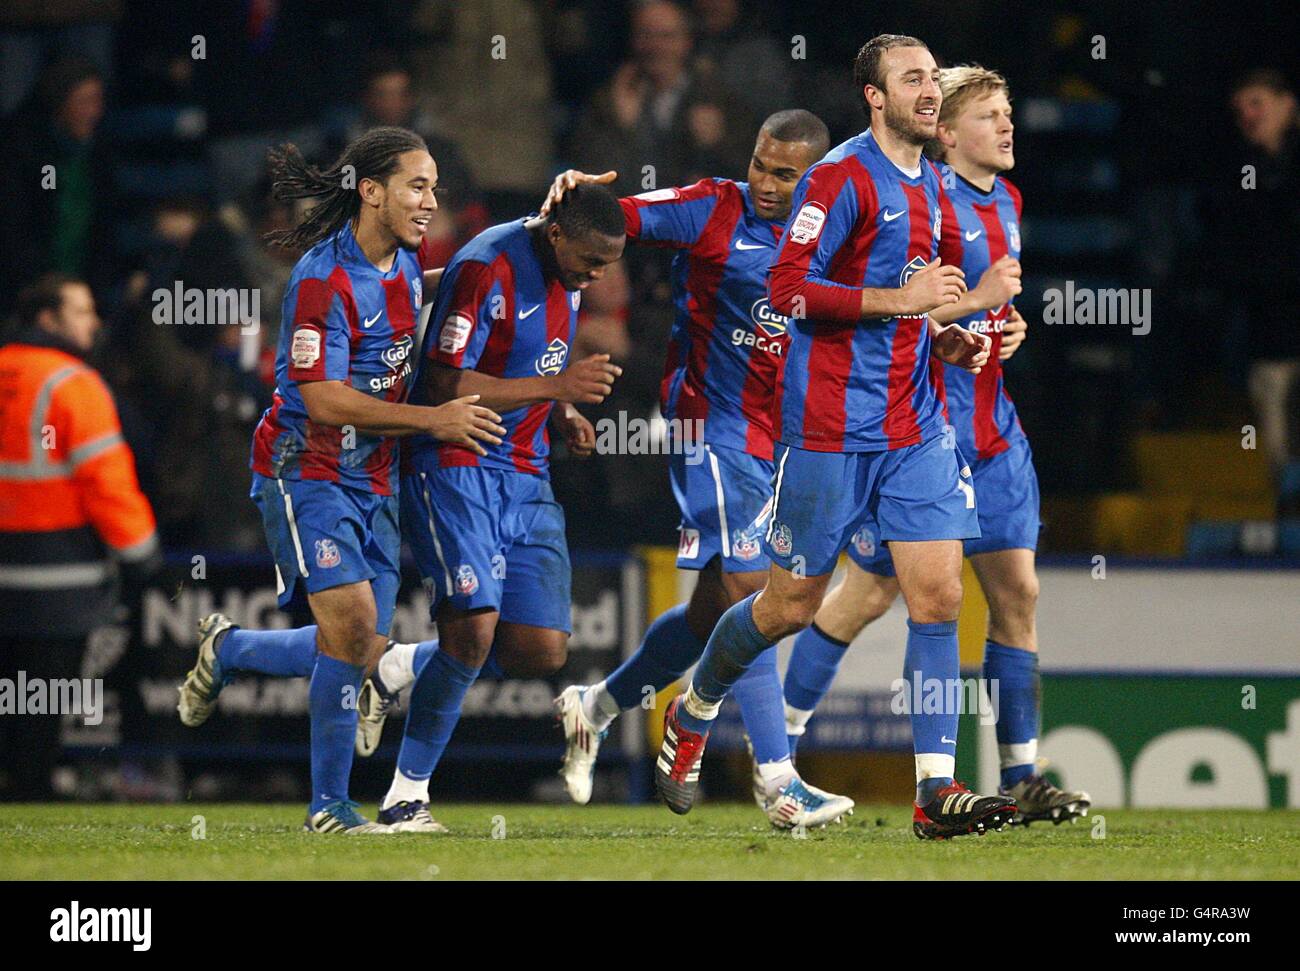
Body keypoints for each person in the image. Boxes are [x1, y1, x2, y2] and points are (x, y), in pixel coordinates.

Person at [654, 34, 1017, 841]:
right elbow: (787, 291)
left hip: (914, 425)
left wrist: (946, 334)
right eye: (911, 79)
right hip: (826, 428)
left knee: (940, 596)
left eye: (934, 77)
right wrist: (901, 299)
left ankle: (936, 789)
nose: (930, 91)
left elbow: (918, 305)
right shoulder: (840, 176)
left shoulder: (934, 188)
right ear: (875, 97)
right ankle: (695, 709)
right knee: (786, 604)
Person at [782, 65, 1091, 827]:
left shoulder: (1008, 200)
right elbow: (903, 305)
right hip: (919, 426)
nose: (1009, 126)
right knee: (865, 596)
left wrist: (1003, 325)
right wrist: (971, 309)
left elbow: (978, 311)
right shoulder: (922, 201)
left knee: (1015, 591)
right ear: (947, 134)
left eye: (1010, 111)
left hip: (995, 428)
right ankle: (779, 744)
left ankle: (1020, 773)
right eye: (991, 115)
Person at [174, 127, 504, 835]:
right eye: (418, 185)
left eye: (435, 186)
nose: (431, 201)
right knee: (353, 630)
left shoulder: (406, 263)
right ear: (372, 191)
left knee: (352, 644)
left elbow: (432, 289)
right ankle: (328, 806)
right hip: (307, 467)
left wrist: (517, 246)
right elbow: (321, 398)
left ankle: (228, 648)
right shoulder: (324, 278)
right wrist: (431, 419)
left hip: (373, 472)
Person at [546, 109, 855, 829]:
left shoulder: (842, 240)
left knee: (715, 612)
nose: (766, 183)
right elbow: (611, 218)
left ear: (818, 178)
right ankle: (777, 780)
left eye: (785, 173)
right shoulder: (716, 209)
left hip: (790, 442)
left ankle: (593, 707)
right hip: (709, 427)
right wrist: (575, 193)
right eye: (760, 164)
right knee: (756, 585)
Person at [352, 185, 626, 833]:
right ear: (556, 232)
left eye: (606, 264)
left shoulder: (570, 270)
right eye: (590, 259)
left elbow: (527, 358)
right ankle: (404, 798)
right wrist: (557, 387)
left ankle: (397, 664)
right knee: (472, 632)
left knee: (541, 650)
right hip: (456, 460)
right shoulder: (487, 267)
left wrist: (558, 411)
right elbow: (447, 381)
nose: (596, 274)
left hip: (526, 470)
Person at [0, 274, 160, 800]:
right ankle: (30, 789)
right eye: (81, 311)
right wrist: (140, 552)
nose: (92, 322)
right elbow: (105, 481)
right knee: (41, 702)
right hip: (59, 576)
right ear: (48, 319)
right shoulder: (72, 383)